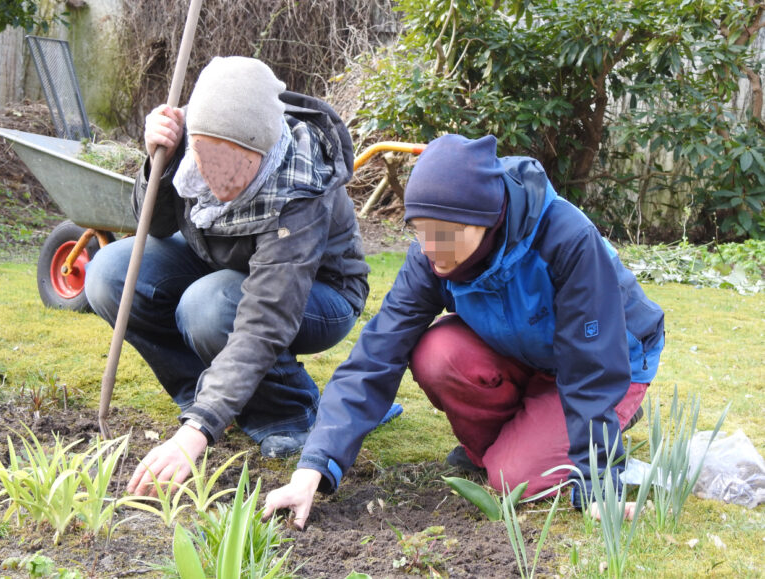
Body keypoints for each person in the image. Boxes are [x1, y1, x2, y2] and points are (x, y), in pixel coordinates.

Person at [263, 134, 665, 527]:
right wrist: (312, 469)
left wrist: (597, 484)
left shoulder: (566, 239)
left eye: (446, 232)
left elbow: (591, 364)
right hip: (527, 352)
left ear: (487, 220)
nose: (432, 245)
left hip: (613, 359)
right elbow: (377, 354)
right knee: (436, 352)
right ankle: (515, 441)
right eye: (420, 229)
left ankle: (605, 419)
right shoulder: (430, 256)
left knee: (511, 478)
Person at [85, 56, 372, 496]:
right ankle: (202, 395)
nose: (218, 179)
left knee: (210, 304)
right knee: (111, 272)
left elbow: (265, 318)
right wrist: (159, 161)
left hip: (320, 294)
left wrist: (198, 431)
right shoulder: (191, 151)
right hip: (225, 268)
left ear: (263, 149)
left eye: (237, 165)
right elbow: (155, 227)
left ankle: (289, 413)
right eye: (205, 158)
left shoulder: (300, 185)